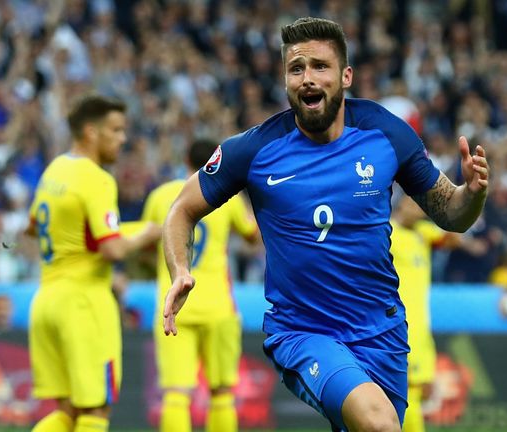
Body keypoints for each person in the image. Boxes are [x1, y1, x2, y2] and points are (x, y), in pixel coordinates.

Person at [161, 17, 489, 432]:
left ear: (346, 75)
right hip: (305, 332)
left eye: (320, 66)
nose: (308, 78)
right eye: (297, 69)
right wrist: (180, 271)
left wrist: (473, 193)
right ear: (285, 80)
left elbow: (451, 214)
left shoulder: (385, 134)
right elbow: (180, 210)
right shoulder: (256, 150)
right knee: (379, 424)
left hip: (381, 331)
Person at [26, 95, 161, 432]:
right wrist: (148, 234)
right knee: (95, 410)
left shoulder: (55, 169)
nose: (122, 138)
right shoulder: (96, 178)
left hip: (46, 301)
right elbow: (112, 250)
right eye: (115, 130)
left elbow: (32, 228)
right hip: (84, 304)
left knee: (68, 411)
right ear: (90, 132)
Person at [142, 138, 259, 432]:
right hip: (219, 305)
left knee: (176, 394)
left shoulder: (160, 196)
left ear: (185, 159)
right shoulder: (228, 196)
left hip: (174, 305)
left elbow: (148, 242)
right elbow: (252, 235)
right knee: (221, 393)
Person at [390, 194, 455, 432]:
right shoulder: (388, 232)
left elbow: (453, 239)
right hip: (398, 325)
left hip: (421, 327)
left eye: (418, 205)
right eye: (410, 203)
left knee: (418, 393)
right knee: (404, 394)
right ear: (400, 206)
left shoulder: (423, 233)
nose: (416, 209)